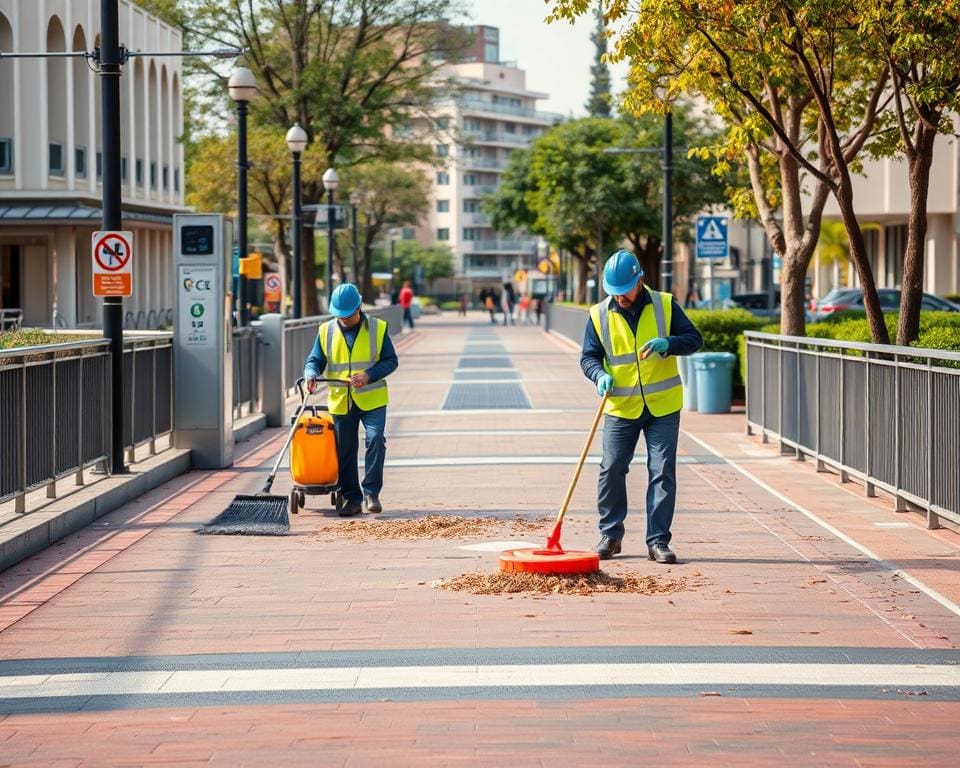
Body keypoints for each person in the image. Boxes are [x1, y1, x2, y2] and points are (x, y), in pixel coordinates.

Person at [580, 250, 703, 563]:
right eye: (613, 292)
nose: (619, 297)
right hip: (621, 406)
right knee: (611, 469)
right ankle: (610, 535)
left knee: (662, 472)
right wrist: (599, 375)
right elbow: (588, 357)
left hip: (662, 406)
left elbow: (694, 339)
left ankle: (658, 541)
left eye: (624, 290)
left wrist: (669, 344)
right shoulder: (598, 314)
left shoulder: (664, 304)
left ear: (639, 281)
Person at [304, 283, 398, 517]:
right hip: (341, 399)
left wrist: (369, 375)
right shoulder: (326, 330)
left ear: (359, 307)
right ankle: (352, 498)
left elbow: (391, 361)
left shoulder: (377, 328)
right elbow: (315, 359)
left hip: (372, 397)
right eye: (339, 316)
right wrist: (310, 373)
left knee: (375, 439)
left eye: (347, 315)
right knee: (344, 449)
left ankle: (371, 494)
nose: (343, 320)